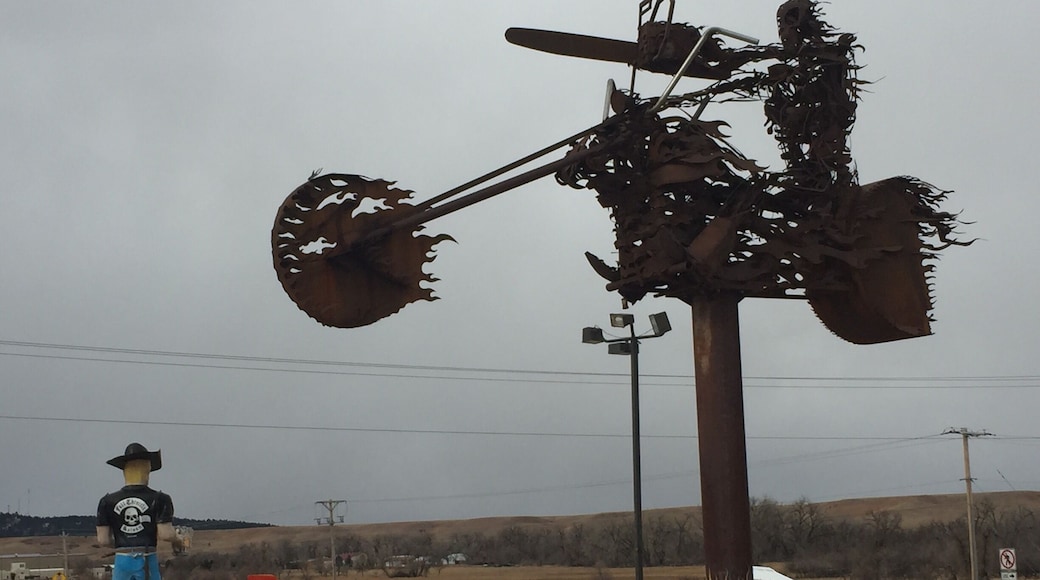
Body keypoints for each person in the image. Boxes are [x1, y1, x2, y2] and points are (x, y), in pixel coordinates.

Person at [96, 442, 182, 580]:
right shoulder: (160, 499)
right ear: (147, 469)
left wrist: (122, 543)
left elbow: (103, 540)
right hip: (146, 558)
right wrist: (178, 538)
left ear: (125, 470)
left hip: (121, 560)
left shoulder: (107, 501)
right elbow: (166, 534)